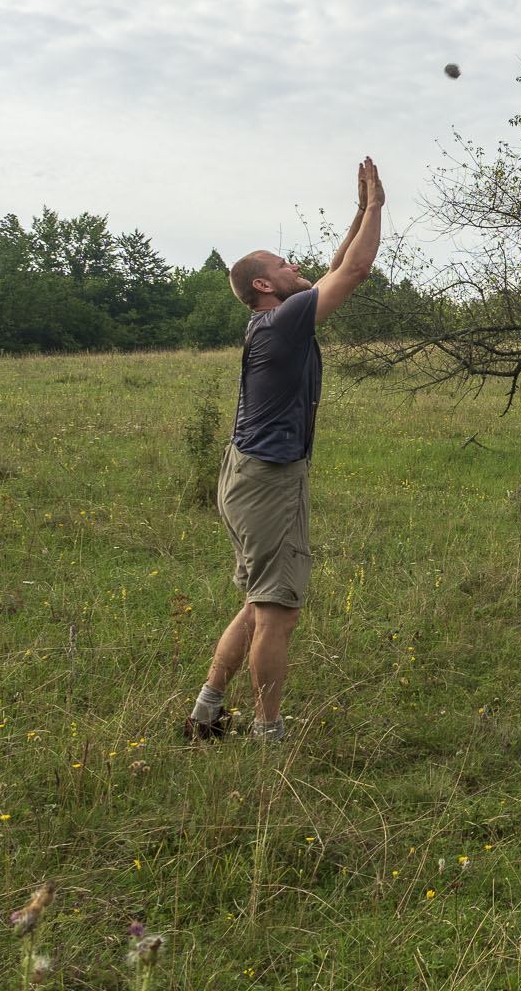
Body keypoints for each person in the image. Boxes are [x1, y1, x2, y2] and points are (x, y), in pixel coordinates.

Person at [182, 158, 384, 743]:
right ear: (263, 286)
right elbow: (356, 269)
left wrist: (357, 208)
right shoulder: (283, 324)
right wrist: (375, 208)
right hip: (268, 480)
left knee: (255, 602)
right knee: (278, 611)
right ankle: (269, 738)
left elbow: (336, 268)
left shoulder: (277, 321)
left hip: (246, 475)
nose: (294, 266)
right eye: (281, 264)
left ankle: (205, 713)